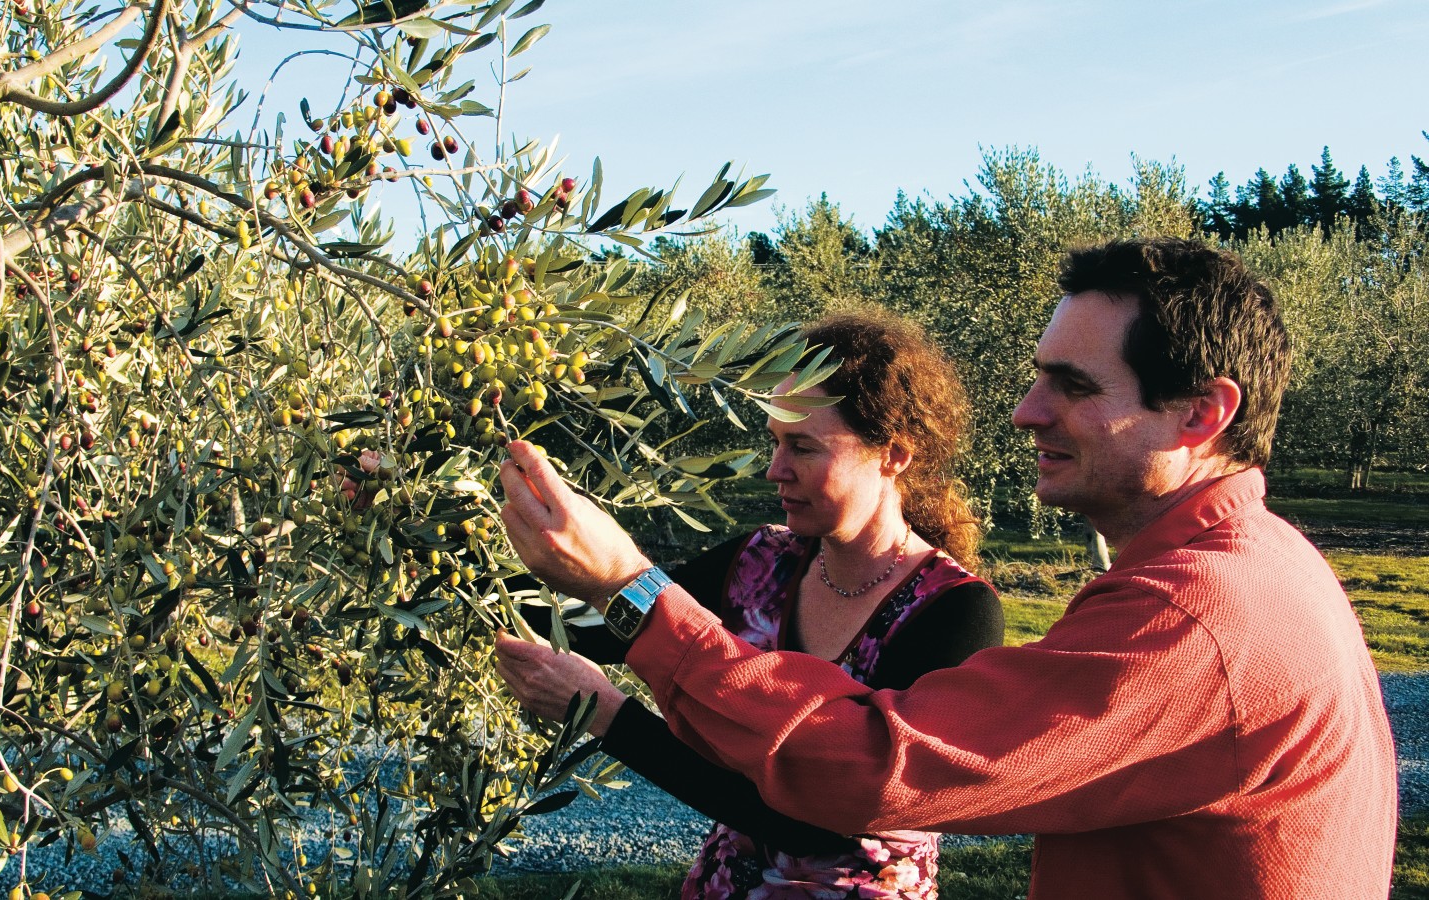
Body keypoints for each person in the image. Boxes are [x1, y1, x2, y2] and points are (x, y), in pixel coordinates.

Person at [494, 237, 1399, 900]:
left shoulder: (1197, 614)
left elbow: (874, 774)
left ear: (1202, 413)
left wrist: (633, 594)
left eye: (1073, 386)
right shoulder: (1256, 567)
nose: (1025, 412)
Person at [497, 311, 1004, 899]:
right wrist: (433, 532)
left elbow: (814, 822)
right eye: (774, 441)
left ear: (892, 455)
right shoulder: (759, 562)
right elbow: (591, 627)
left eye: (802, 446)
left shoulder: (955, 613)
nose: (774, 469)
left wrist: (609, 716)